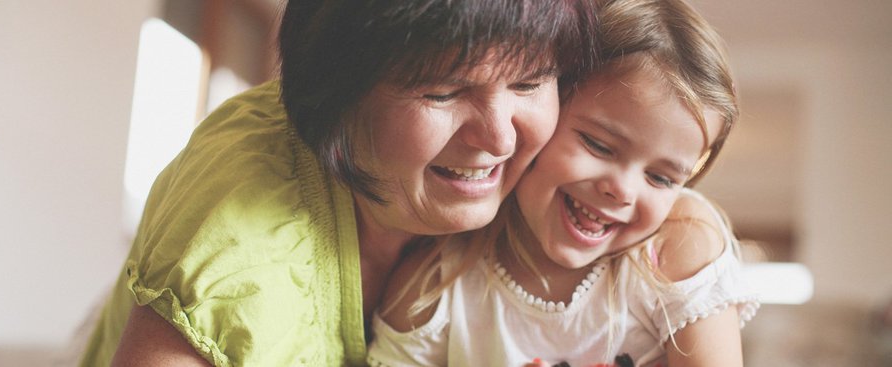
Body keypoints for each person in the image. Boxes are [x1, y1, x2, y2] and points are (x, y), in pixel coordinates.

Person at [78, 0, 598, 366]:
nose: (500, 137)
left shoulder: (556, 179)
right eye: (442, 93)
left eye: (530, 82)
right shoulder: (239, 247)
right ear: (340, 95)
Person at [367, 0, 759, 365]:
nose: (622, 190)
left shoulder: (680, 248)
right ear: (546, 109)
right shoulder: (431, 291)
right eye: (598, 145)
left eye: (660, 177)